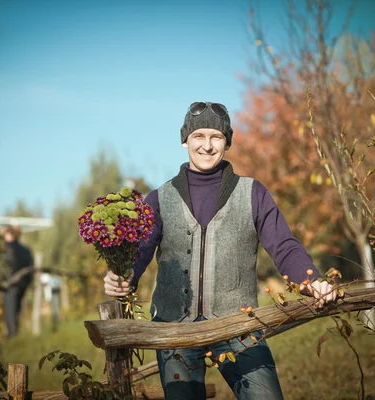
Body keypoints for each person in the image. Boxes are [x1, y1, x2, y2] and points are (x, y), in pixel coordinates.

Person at [104, 101, 338, 399]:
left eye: (215, 137)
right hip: (175, 330)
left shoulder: (253, 193)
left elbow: (283, 245)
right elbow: (140, 250)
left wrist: (312, 280)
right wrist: (122, 278)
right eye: (198, 136)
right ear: (185, 140)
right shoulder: (159, 198)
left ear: (227, 141)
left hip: (239, 325)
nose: (207, 146)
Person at [1, 225, 33, 339]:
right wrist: (27, 283)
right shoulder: (25, 250)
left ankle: (12, 336)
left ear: (9, 234)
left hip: (10, 285)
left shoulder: (7, 249)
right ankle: (15, 335)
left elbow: (7, 267)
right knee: (16, 310)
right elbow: (31, 269)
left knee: (10, 311)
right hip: (22, 285)